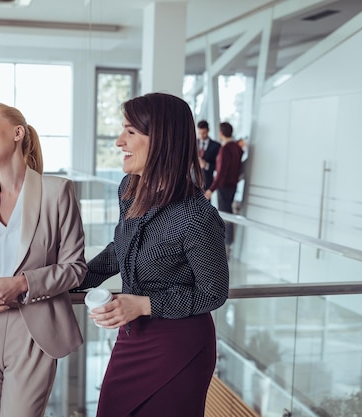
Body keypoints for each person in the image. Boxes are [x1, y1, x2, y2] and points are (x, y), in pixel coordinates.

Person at [76, 92, 230, 417]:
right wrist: (68, 281)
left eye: (130, 132)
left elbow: (213, 293)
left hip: (180, 345)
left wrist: (143, 304)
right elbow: (121, 249)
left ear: (161, 139)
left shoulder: (195, 215)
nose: (120, 141)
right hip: (133, 336)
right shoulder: (128, 189)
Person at [0, 102, 87, 417]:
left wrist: (23, 284)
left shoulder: (57, 191)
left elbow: (75, 267)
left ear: (17, 133)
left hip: (33, 330)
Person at [205, 122, 244, 252]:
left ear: (221, 133)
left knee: (225, 215)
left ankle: (227, 246)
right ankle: (229, 243)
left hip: (224, 187)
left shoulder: (225, 149)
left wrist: (211, 189)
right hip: (233, 186)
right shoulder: (237, 148)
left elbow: (221, 173)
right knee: (228, 214)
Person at [196, 119, 221, 190]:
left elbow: (218, 166)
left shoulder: (216, 146)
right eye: (199, 133)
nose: (201, 135)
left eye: (204, 133)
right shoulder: (193, 144)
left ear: (208, 130)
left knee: (206, 201)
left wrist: (206, 165)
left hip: (207, 181)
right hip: (193, 180)